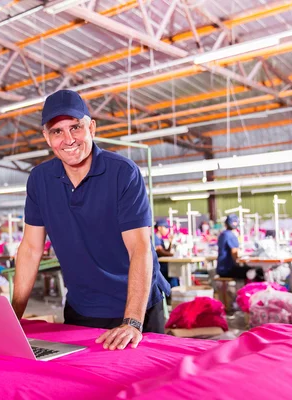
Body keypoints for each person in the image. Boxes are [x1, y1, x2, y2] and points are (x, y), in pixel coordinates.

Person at [12, 90, 171, 351]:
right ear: (46, 137)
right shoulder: (40, 180)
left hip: (136, 307)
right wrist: (13, 315)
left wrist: (132, 321)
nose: (68, 139)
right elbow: (30, 249)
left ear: (92, 127)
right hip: (82, 308)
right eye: (57, 131)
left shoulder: (122, 173)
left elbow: (140, 248)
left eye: (75, 127)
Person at [216, 214, 246, 279]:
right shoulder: (231, 236)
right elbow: (234, 253)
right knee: (253, 272)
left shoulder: (223, 234)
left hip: (221, 268)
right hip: (227, 269)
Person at [154, 219, 178, 287]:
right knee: (173, 277)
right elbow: (160, 252)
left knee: (174, 275)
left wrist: (170, 242)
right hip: (160, 266)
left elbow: (166, 251)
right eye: (166, 227)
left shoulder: (160, 239)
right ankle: (173, 294)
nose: (167, 230)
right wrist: (173, 255)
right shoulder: (154, 238)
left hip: (163, 265)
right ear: (159, 228)